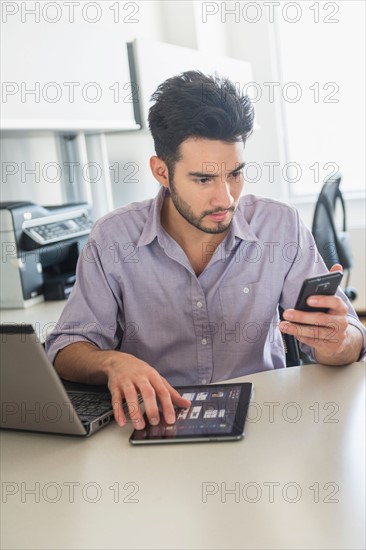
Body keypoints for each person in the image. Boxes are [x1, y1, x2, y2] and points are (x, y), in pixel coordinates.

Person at [46, 71, 366, 430]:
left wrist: (337, 341)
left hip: (264, 424)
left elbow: (352, 337)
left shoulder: (280, 226)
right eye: (203, 179)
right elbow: (66, 348)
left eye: (235, 174)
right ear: (161, 172)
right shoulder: (112, 239)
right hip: (155, 426)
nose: (225, 198)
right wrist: (113, 362)